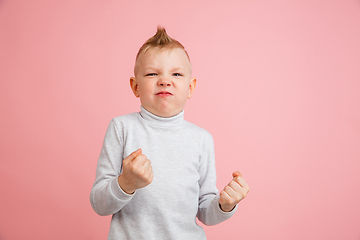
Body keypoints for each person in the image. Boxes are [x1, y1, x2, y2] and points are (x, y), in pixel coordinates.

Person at [90, 26, 250, 240]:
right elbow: (99, 205)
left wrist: (225, 205)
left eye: (176, 73)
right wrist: (125, 183)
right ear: (135, 86)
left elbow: (205, 213)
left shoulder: (202, 139)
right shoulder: (121, 128)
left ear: (191, 87)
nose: (165, 80)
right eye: (152, 73)